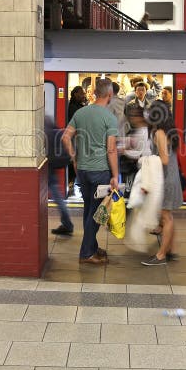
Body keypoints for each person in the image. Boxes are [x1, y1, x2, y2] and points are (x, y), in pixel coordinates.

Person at [62, 77, 119, 265]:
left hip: (83, 171)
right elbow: (111, 150)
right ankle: (86, 253)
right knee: (96, 214)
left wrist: (74, 159)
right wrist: (115, 175)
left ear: (95, 93)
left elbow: (65, 138)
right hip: (100, 172)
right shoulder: (109, 117)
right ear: (109, 94)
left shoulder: (80, 113)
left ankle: (92, 247)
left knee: (90, 210)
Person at [142, 101, 183, 266]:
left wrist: (146, 161)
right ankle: (171, 249)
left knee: (166, 218)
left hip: (165, 180)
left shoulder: (159, 132)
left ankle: (161, 255)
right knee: (168, 217)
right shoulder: (170, 131)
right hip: (172, 178)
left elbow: (164, 160)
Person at [46, 115, 73, 236]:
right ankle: (67, 223)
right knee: (56, 194)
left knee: (56, 195)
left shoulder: (43, 132)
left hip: (46, 167)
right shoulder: (57, 132)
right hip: (51, 166)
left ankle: (67, 224)